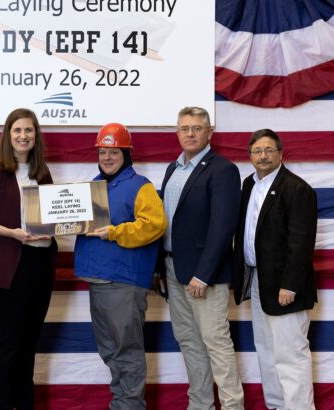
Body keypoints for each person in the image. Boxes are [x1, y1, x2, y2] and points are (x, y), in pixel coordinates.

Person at [0, 108, 57, 410]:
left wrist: (73, 222)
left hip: (40, 266)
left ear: (36, 135)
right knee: (11, 344)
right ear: (8, 134)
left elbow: (53, 216)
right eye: (17, 130)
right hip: (9, 268)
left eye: (28, 130)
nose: (23, 136)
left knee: (29, 344)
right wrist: (11, 233)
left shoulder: (42, 172)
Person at [74, 123, 166, 409]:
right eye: (102, 152)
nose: (107, 157)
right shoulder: (94, 186)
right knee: (111, 350)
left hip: (124, 281)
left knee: (126, 350)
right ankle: (122, 403)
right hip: (99, 279)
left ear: (126, 154)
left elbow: (154, 225)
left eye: (114, 152)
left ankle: (130, 405)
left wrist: (115, 232)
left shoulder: (141, 186)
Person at [160, 107, 244, 409]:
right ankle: (200, 405)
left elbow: (223, 227)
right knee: (189, 343)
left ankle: (233, 407)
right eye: (185, 128)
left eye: (197, 128)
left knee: (216, 343)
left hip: (204, 275)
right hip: (173, 268)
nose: (190, 133)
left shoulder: (223, 170)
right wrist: (160, 268)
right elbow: (167, 223)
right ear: (177, 132)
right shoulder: (173, 169)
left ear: (210, 132)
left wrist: (204, 274)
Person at [232, 129, 317, 410]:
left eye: (269, 150)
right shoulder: (249, 184)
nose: (263, 156)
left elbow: (301, 243)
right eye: (257, 151)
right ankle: (277, 406)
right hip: (258, 279)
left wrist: (290, 285)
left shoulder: (296, 188)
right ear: (250, 155)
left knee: (290, 355)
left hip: (285, 285)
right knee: (267, 351)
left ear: (280, 153)